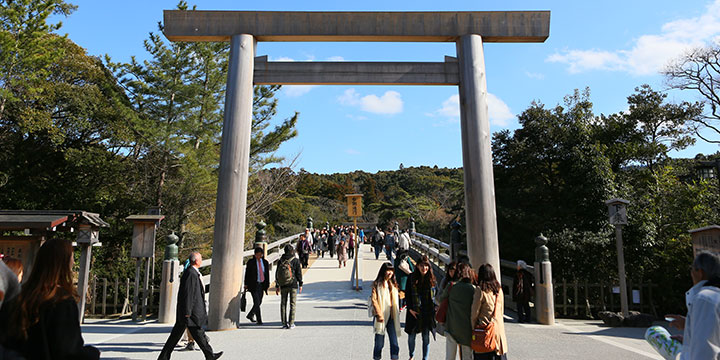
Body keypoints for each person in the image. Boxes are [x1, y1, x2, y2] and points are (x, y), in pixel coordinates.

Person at [0, 238, 100, 360]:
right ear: (64, 263)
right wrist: (92, 353)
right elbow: (67, 351)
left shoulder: (20, 295)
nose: (73, 262)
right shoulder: (61, 300)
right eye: (71, 258)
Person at [646, 251, 720, 360]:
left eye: (691, 269)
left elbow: (704, 351)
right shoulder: (714, 296)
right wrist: (689, 337)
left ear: (700, 272)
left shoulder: (704, 298)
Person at [158, 252, 222, 360]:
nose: (201, 260)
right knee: (196, 333)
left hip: (189, 312)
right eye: (201, 259)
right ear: (196, 261)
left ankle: (164, 357)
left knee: (179, 336)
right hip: (190, 312)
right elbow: (188, 294)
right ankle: (209, 355)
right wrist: (187, 312)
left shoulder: (192, 272)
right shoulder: (191, 274)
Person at [438, 262, 476, 360]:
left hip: (452, 326)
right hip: (467, 329)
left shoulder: (452, 286)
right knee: (467, 356)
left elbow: (440, 299)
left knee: (450, 356)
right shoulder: (474, 290)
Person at [471, 264, 508, 360]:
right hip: (498, 334)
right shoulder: (499, 290)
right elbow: (501, 311)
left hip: (485, 333)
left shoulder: (480, 290)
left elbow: (474, 313)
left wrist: (473, 327)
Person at [405, 257, 437, 360]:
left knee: (426, 337)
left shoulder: (432, 279)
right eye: (422, 265)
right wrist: (410, 309)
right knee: (411, 337)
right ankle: (411, 355)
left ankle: (425, 358)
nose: (424, 268)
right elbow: (407, 294)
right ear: (417, 266)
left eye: (426, 265)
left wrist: (436, 308)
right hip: (414, 310)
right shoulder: (411, 277)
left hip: (427, 312)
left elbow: (435, 296)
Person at [370, 262, 401, 360]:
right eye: (388, 270)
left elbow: (398, 296)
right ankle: (377, 357)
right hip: (381, 317)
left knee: (394, 341)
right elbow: (374, 300)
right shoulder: (377, 285)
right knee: (379, 343)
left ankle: (394, 357)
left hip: (392, 316)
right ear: (383, 271)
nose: (390, 273)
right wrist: (379, 314)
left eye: (391, 271)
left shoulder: (393, 284)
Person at [276, 245, 303, 329]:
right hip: (293, 284)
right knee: (292, 304)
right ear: (292, 251)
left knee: (283, 304)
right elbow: (299, 273)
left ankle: (284, 323)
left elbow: (277, 274)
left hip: (283, 284)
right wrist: (300, 284)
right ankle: (291, 323)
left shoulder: (280, 261)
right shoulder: (295, 260)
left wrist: (277, 285)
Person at [244, 247, 270, 325]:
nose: (258, 256)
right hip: (253, 284)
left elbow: (267, 274)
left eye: (260, 255)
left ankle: (250, 314)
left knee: (259, 302)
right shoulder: (251, 262)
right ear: (254, 255)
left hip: (262, 284)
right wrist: (246, 284)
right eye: (257, 255)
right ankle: (259, 320)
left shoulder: (265, 262)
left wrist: (267, 284)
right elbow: (247, 274)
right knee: (256, 301)